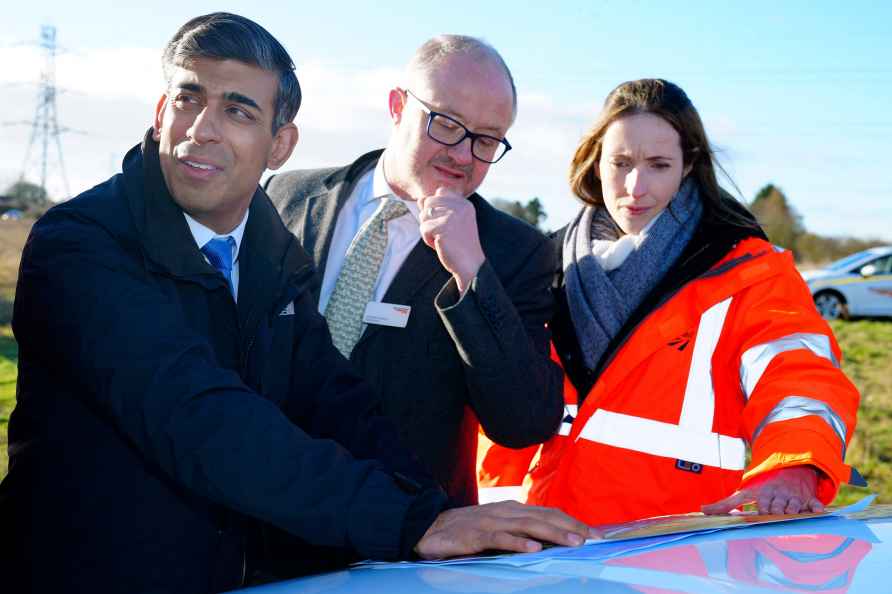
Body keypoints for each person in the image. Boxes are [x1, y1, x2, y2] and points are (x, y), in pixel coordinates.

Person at [0, 14, 591, 593]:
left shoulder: (265, 249)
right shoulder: (79, 246)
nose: (202, 128)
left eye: (237, 110)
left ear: (279, 143)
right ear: (160, 113)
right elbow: (201, 417)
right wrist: (413, 521)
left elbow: (334, 398)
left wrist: (438, 515)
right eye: (187, 98)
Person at [479, 78, 864, 526]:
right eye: (620, 163)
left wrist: (795, 465)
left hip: (673, 547)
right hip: (539, 542)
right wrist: (484, 513)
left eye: (658, 165)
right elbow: (499, 399)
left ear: (688, 166)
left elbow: (799, 375)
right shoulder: (545, 263)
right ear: (595, 162)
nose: (635, 187)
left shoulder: (747, 270)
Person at [264, 35, 563, 506]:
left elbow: (523, 422)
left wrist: (473, 275)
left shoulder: (515, 251)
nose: (464, 155)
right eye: (446, 125)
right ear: (397, 106)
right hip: (261, 522)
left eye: (486, 140)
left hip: (407, 544)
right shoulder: (285, 196)